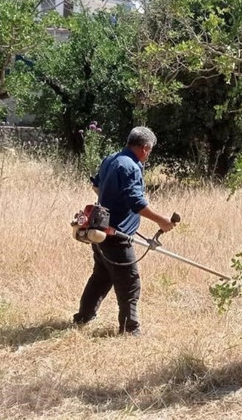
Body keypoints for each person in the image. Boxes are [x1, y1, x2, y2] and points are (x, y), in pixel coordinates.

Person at [72, 126, 175, 335]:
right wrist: (162, 221)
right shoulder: (131, 167)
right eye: (150, 151)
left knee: (101, 276)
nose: (149, 155)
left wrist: (111, 203)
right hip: (115, 237)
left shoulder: (112, 159)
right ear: (145, 148)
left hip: (99, 230)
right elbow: (136, 202)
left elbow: (97, 186)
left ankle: (83, 317)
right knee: (129, 282)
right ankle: (130, 329)